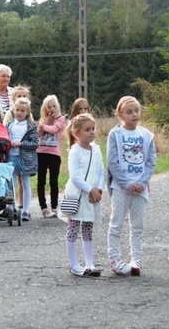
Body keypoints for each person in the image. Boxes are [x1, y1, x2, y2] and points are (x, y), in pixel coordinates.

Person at [106, 97, 157, 277]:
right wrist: (126, 183)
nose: (134, 114)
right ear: (120, 115)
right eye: (129, 112)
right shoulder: (115, 134)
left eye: (136, 110)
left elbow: (151, 162)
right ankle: (115, 258)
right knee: (116, 224)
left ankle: (136, 259)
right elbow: (112, 161)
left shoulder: (146, 135)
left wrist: (142, 183)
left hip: (141, 189)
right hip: (121, 188)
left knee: (138, 226)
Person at [62, 113, 105, 277]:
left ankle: (89, 263)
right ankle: (74, 264)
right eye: (87, 130)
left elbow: (101, 171)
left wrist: (99, 189)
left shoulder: (97, 150)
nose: (92, 132)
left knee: (88, 228)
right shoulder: (75, 151)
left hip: (92, 196)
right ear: (76, 133)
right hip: (78, 196)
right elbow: (75, 177)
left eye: (93, 129)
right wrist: (90, 189)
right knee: (73, 228)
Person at [6, 97, 38, 221]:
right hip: (11, 156)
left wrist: (21, 144)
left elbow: (35, 143)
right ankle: (10, 207)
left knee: (26, 183)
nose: (19, 113)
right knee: (11, 182)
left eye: (22, 111)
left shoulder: (30, 126)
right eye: (17, 110)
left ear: (27, 113)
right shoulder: (10, 125)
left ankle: (25, 210)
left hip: (25, 158)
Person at [37, 94, 66, 218]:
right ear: (45, 108)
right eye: (49, 107)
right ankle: (44, 208)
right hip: (41, 152)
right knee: (41, 181)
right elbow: (38, 134)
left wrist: (44, 126)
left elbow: (54, 129)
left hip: (54, 153)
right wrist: (44, 124)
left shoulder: (61, 119)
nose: (52, 109)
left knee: (54, 181)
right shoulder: (42, 120)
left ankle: (54, 207)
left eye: (54, 106)